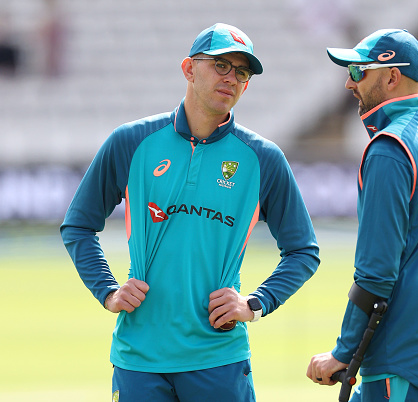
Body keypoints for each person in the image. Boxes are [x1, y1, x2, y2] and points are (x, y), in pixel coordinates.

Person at [61, 23, 320, 402]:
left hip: (219, 358)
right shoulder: (131, 142)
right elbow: (78, 225)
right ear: (189, 69)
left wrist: (254, 303)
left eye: (242, 72)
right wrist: (108, 291)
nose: (231, 78)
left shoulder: (262, 158)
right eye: (220, 65)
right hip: (139, 358)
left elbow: (303, 251)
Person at [306, 29, 418, 401]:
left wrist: (343, 351)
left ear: (392, 76)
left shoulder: (389, 148)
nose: (349, 83)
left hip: (403, 356)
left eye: (357, 71)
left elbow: (376, 273)